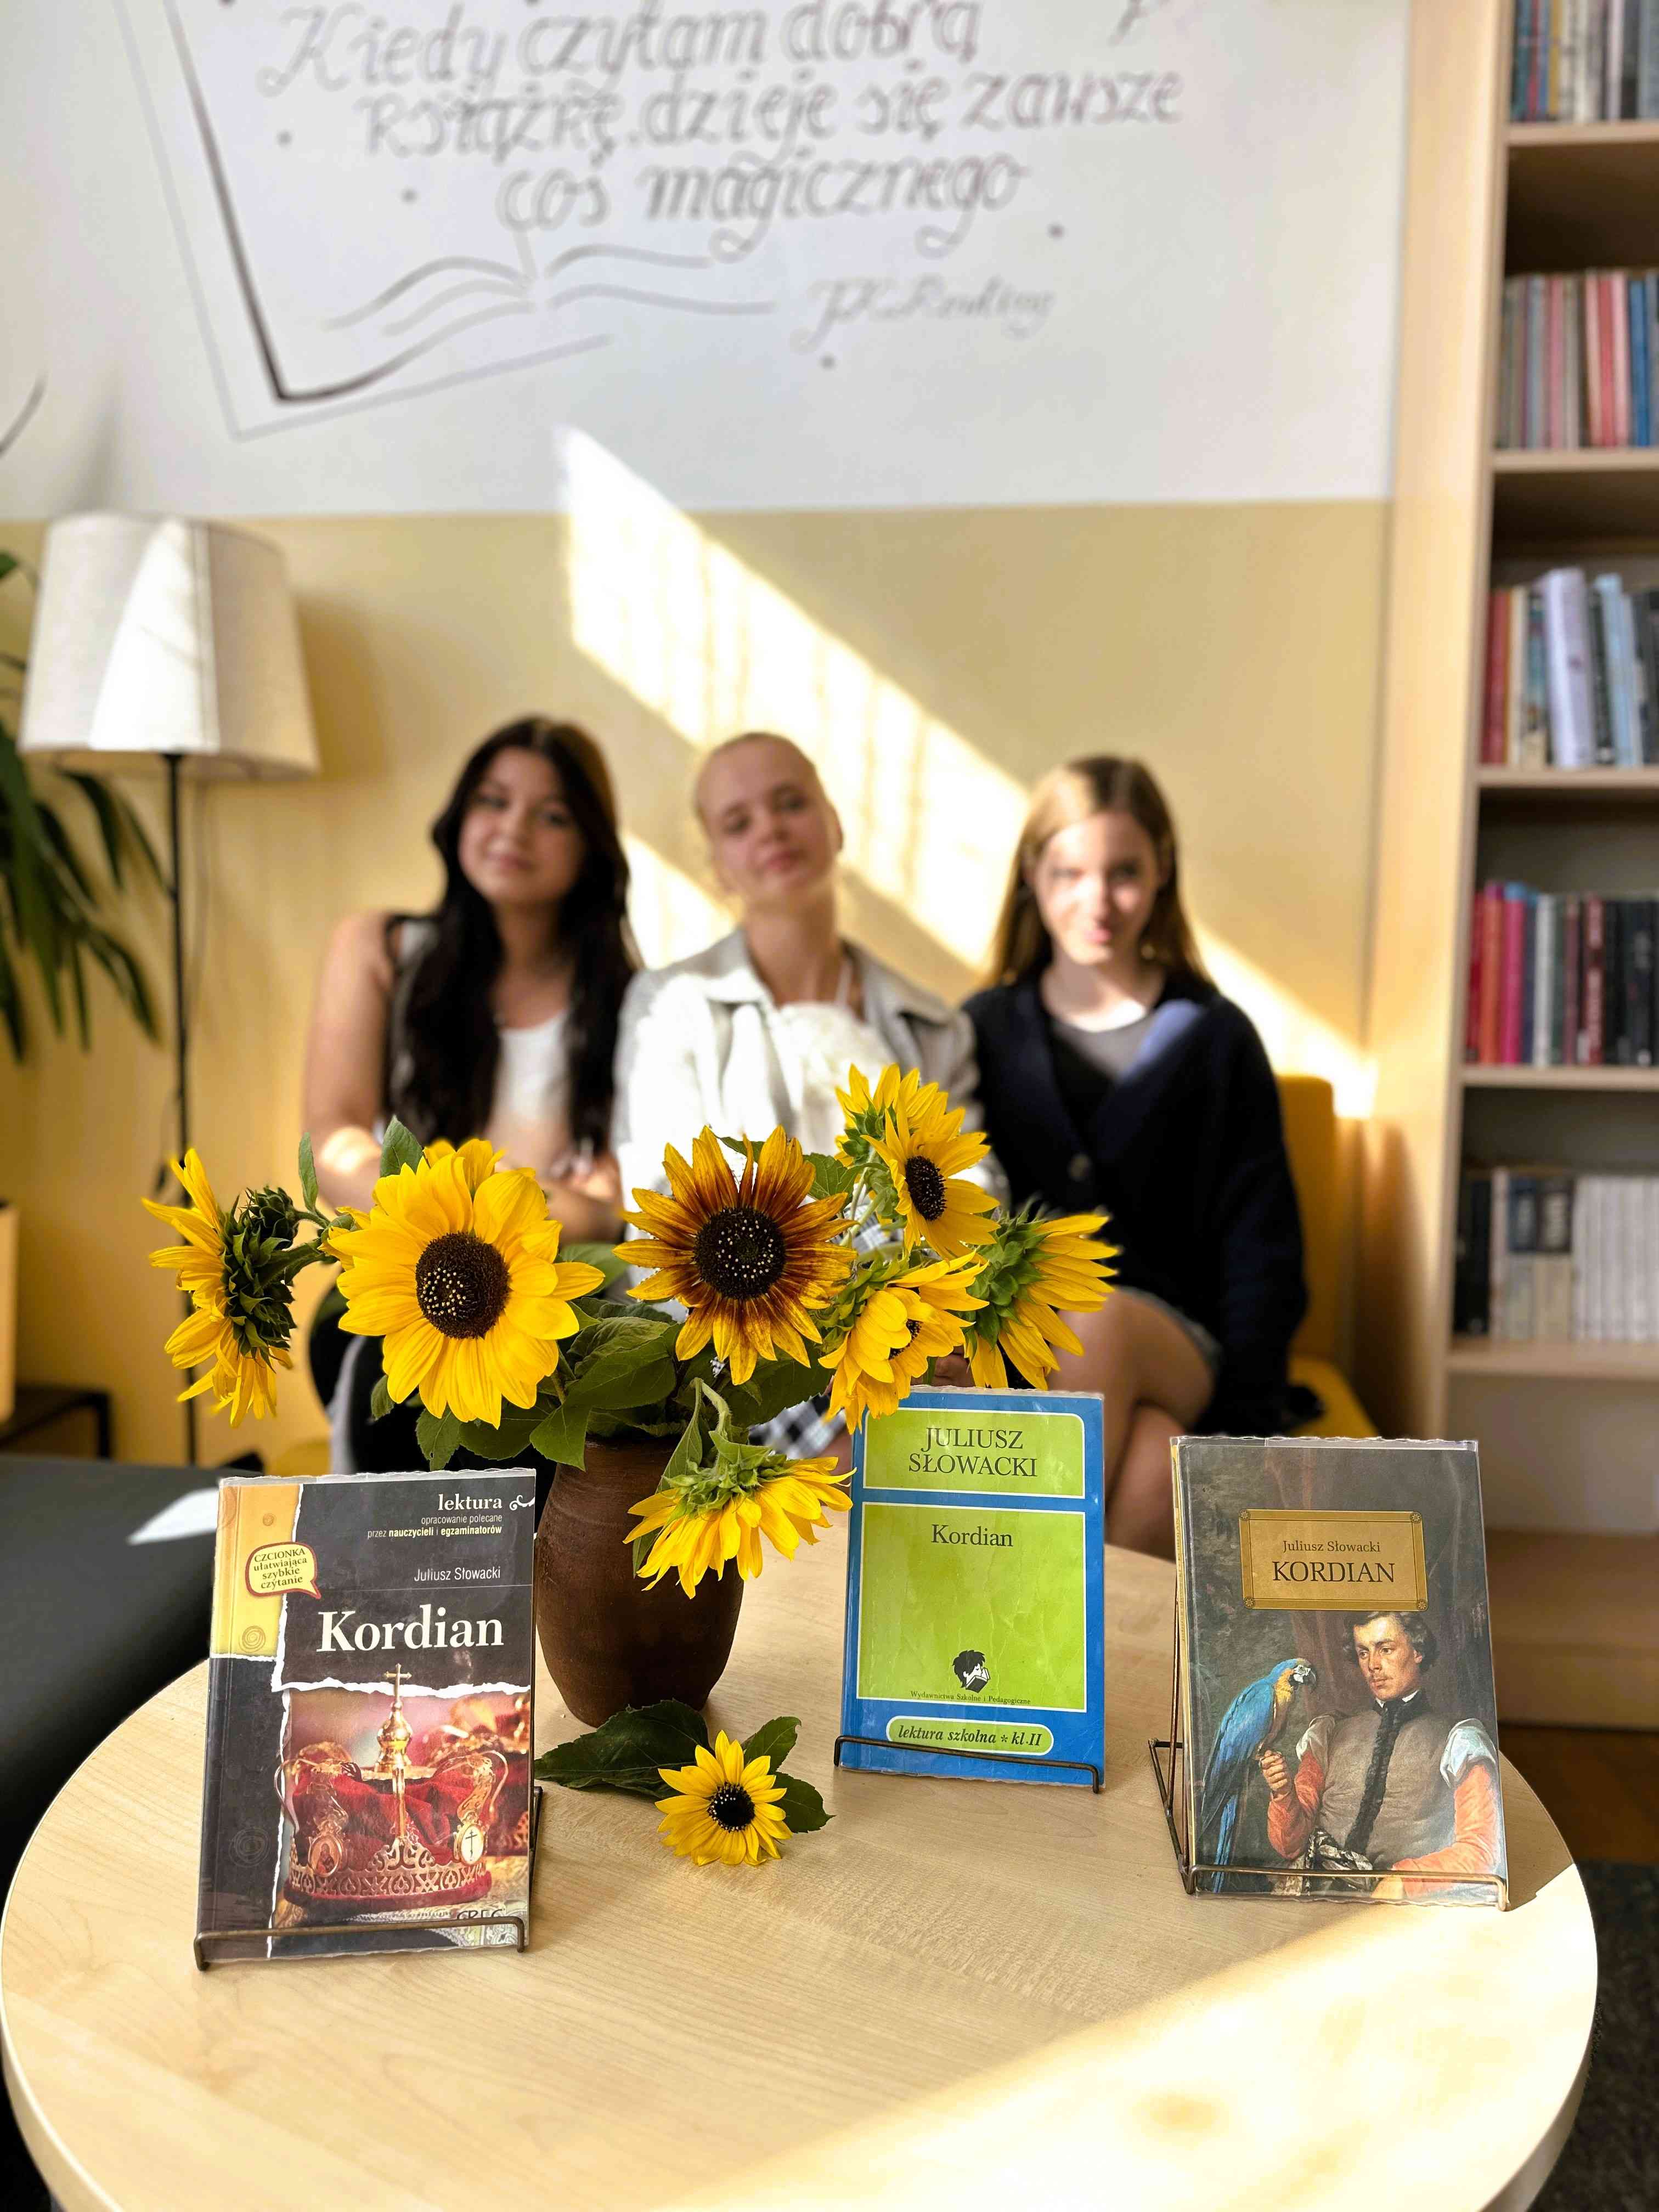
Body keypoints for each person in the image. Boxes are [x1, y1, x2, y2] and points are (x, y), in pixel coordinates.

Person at [612, 730, 1005, 1456]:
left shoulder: (934, 1025)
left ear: (835, 824)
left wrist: (920, 1320)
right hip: (752, 1344)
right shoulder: (671, 1007)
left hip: (920, 1327)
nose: (770, 828)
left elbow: (972, 1195)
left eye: (790, 803)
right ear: (717, 865)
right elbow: (661, 1217)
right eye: (739, 822)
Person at [964, 757, 1306, 1557]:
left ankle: (1008, 1599)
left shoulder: (1216, 1035)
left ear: (1162, 872)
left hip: (1178, 1341)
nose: (1098, 901)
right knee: (1153, 1469)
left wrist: (1245, 1432)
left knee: (1100, 1314)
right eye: (1070, 873)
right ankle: (1069, 1637)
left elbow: (1264, 1249)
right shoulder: (981, 1029)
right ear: (1032, 875)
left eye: (1123, 873)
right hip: (1018, 1350)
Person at [303, 716, 635, 1473]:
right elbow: (331, 1141)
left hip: (560, 1285)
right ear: (459, 816)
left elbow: (611, 1204)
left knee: (577, 1395)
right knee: (389, 1378)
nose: (513, 829)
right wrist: (442, 1215)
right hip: (404, 1278)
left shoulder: (629, 998)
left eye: (553, 815)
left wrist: (509, 1219)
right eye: (493, 800)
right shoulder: (381, 948)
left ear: (591, 846)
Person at [1260, 1611, 1504, 1898]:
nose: (1373, 1665)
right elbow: (1290, 1845)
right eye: (1363, 1653)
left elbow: (1482, 1851)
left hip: (1398, 1907)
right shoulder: (1330, 1733)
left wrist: (1405, 1881)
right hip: (1314, 1895)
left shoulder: (1460, 1739)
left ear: (1418, 1652)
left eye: (1385, 1650)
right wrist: (1284, 1795)